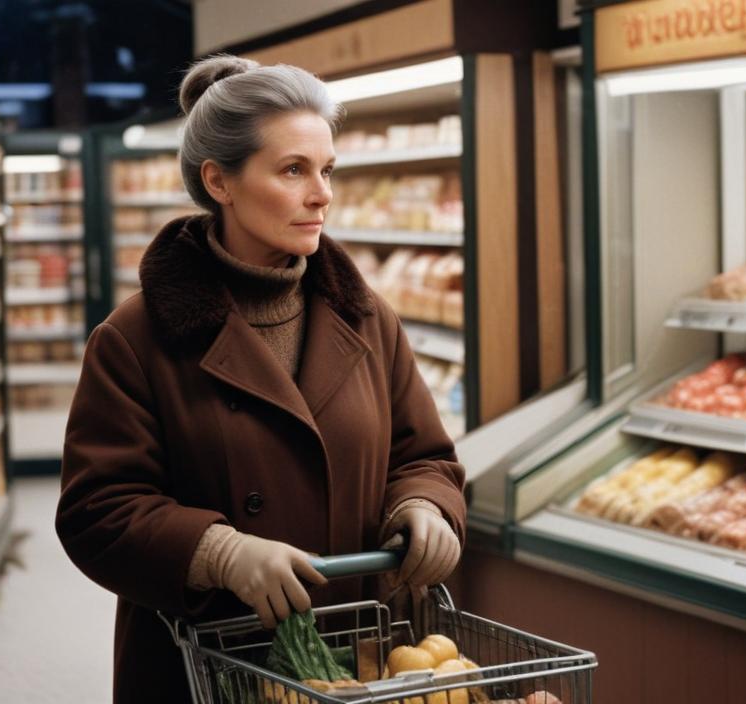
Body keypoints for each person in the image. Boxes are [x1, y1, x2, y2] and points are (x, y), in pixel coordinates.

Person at [55, 54, 466, 703]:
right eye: (293, 170)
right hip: (205, 670)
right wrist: (219, 552)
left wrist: (424, 507)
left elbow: (422, 456)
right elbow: (96, 514)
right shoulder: (135, 340)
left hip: (354, 662)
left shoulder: (368, 321)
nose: (322, 193)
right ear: (219, 181)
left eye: (326, 169)